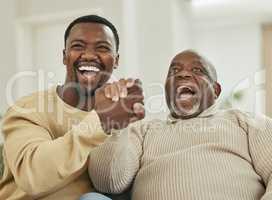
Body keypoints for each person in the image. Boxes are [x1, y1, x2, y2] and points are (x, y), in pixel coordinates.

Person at [87, 50, 272, 200]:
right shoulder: (144, 130)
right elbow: (109, 182)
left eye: (198, 71)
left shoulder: (245, 122)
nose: (183, 74)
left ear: (216, 90)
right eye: (174, 72)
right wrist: (117, 125)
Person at [0, 15, 144, 200]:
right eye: (78, 46)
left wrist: (117, 126)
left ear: (115, 60)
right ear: (64, 56)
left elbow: (120, 184)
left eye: (102, 48)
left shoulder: (121, 117)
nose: (90, 55)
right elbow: (32, 176)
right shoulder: (29, 108)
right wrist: (100, 122)